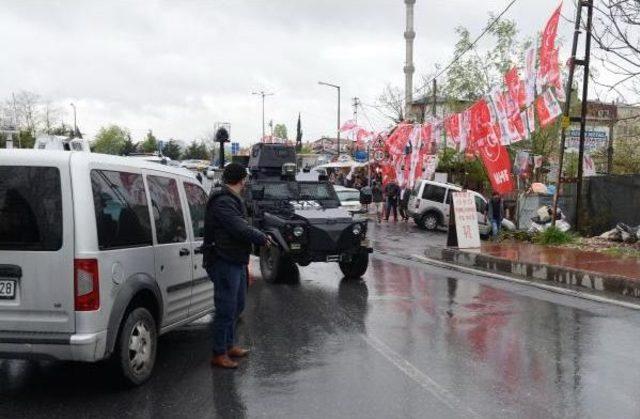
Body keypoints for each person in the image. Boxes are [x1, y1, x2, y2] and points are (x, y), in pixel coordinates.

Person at [203, 163, 272, 369]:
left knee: (238, 304)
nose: (247, 182)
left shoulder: (232, 199)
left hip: (235, 259)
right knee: (225, 307)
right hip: (223, 260)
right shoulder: (223, 201)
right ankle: (219, 353)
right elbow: (238, 227)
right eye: (245, 178)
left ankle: (229, 344)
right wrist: (261, 237)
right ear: (241, 180)